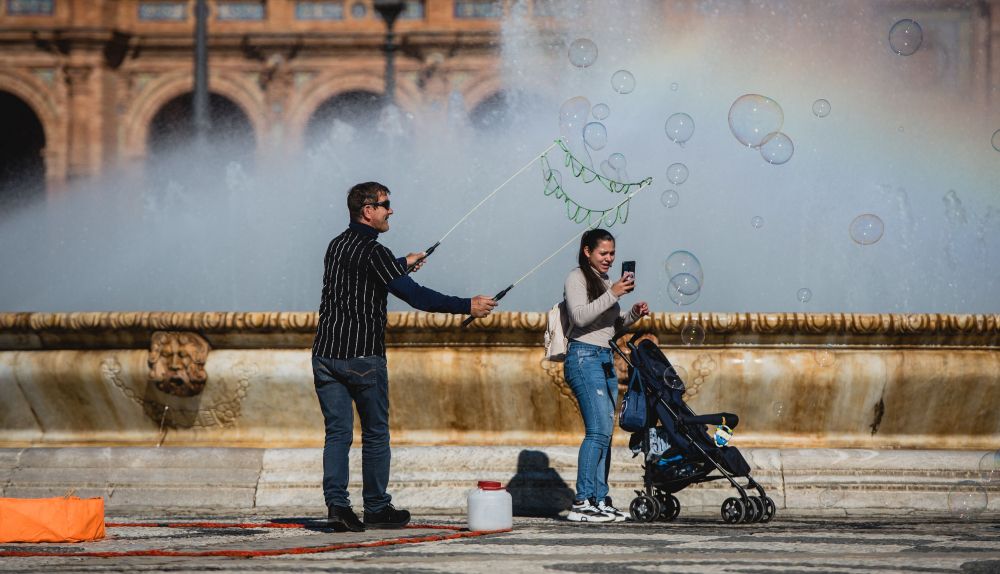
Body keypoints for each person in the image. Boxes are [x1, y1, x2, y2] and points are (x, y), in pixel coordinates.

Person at [312, 181, 497, 532]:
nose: (390, 210)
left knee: (337, 434)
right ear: (368, 211)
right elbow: (418, 298)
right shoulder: (376, 253)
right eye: (385, 204)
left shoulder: (337, 245)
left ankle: (337, 506)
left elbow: (363, 273)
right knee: (375, 433)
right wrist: (467, 306)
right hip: (361, 356)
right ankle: (376, 508)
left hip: (325, 355)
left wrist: (402, 264)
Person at [562, 228, 649, 523]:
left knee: (605, 434)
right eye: (603, 253)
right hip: (583, 357)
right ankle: (582, 502)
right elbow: (580, 317)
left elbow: (611, 327)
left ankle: (600, 499)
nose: (609, 258)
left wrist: (632, 314)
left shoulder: (607, 282)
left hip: (604, 359)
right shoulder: (576, 278)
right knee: (597, 431)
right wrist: (613, 293)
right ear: (587, 251)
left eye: (612, 253)